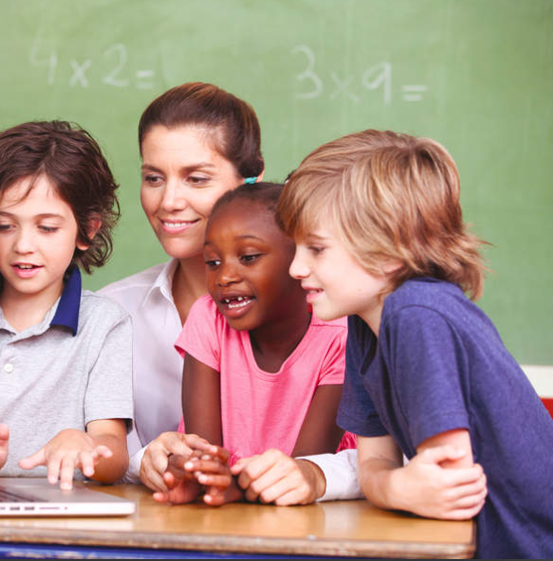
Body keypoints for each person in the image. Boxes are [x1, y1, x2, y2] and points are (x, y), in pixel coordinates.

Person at [276, 129, 552, 558]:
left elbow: (447, 486)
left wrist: (397, 486)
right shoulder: (365, 326)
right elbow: (375, 468)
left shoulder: (416, 314)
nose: (295, 267)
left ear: (389, 252)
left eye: (316, 248)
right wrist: (398, 486)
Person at [99, 82, 360, 504]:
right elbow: (98, 449)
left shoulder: (338, 323)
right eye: (153, 178)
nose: (169, 201)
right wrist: (143, 461)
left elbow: (318, 465)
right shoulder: (112, 312)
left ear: (250, 180)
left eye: (196, 178)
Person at [0, 121, 133, 490]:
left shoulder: (105, 323)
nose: (23, 245)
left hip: (65, 517)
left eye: (47, 228)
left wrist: (86, 446)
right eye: (5, 225)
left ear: (87, 231)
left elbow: (115, 454)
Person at [154, 182, 353, 506]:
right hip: (222, 515)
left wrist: (231, 485)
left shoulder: (340, 337)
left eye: (248, 257)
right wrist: (194, 470)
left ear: (300, 262)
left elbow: (299, 471)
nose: (224, 277)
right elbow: (205, 454)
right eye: (212, 262)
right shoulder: (209, 319)